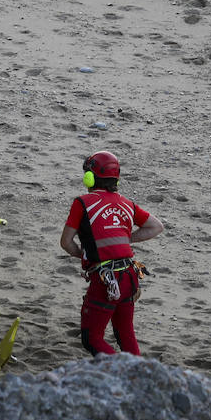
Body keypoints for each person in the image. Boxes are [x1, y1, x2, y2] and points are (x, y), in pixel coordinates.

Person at [58, 150, 164, 356]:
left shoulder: (82, 203)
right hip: (129, 276)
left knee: (92, 338)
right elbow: (156, 226)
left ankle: (122, 371)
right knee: (125, 333)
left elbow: (65, 242)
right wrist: (125, 238)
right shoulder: (126, 203)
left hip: (105, 280)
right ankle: (140, 375)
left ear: (90, 177)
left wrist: (83, 254)